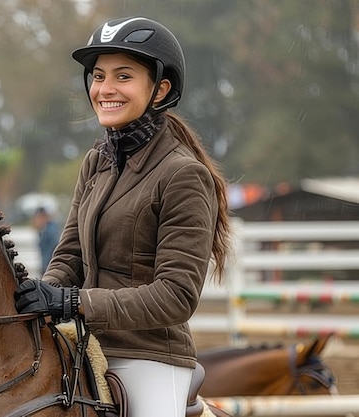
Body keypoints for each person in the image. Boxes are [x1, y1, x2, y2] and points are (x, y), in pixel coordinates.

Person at [14, 16, 232, 416]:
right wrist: (42, 293)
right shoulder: (97, 161)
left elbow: (176, 295)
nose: (105, 89)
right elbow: (70, 257)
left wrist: (75, 301)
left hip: (149, 357)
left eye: (123, 76)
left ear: (160, 88)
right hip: (83, 347)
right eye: (98, 76)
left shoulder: (183, 175)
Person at [32, 207, 61, 275]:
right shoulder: (43, 231)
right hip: (47, 267)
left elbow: (53, 250)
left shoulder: (51, 232)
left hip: (50, 268)